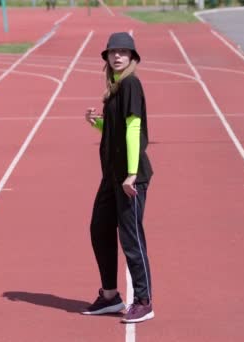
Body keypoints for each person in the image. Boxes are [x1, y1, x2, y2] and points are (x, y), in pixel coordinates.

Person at [81, 32, 154, 323]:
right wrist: (96, 122)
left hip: (128, 176)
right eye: (113, 52)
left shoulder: (131, 84)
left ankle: (144, 300)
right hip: (111, 174)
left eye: (124, 52)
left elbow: (134, 128)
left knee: (131, 237)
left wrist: (132, 174)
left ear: (132, 58)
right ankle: (110, 296)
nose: (117, 56)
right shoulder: (116, 87)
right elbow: (116, 131)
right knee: (99, 228)